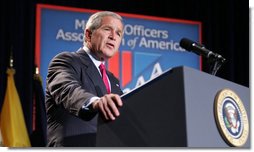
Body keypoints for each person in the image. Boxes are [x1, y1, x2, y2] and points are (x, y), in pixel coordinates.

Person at [45, 11, 124, 147]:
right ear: (88, 34)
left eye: (118, 33)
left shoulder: (113, 80)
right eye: (107, 29)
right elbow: (68, 90)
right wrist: (94, 102)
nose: (113, 37)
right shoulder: (67, 61)